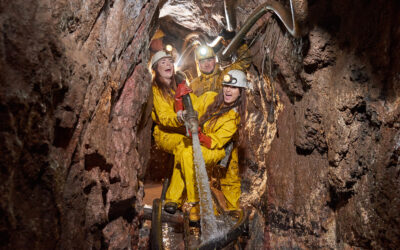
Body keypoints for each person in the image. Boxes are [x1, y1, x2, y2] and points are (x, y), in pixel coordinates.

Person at [165, 69, 248, 222]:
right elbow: (195, 104)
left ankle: (198, 202)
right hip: (203, 143)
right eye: (226, 86)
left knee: (229, 179)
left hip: (219, 150)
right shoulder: (211, 98)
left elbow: (215, 141)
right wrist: (181, 98)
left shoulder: (233, 117)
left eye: (234, 87)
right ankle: (173, 199)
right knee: (181, 150)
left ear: (241, 92)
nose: (228, 90)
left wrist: (198, 134)